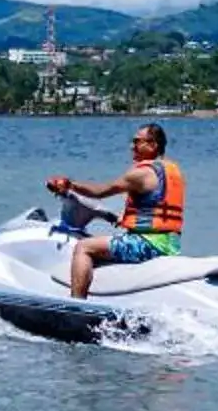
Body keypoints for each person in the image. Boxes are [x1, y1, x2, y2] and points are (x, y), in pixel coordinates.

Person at [46, 123, 183, 299]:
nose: (131, 146)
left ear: (153, 145)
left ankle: (77, 303)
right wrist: (123, 219)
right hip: (170, 244)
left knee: (83, 247)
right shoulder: (172, 170)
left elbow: (101, 191)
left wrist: (70, 185)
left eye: (137, 142)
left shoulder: (140, 174)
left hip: (148, 244)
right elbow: (153, 207)